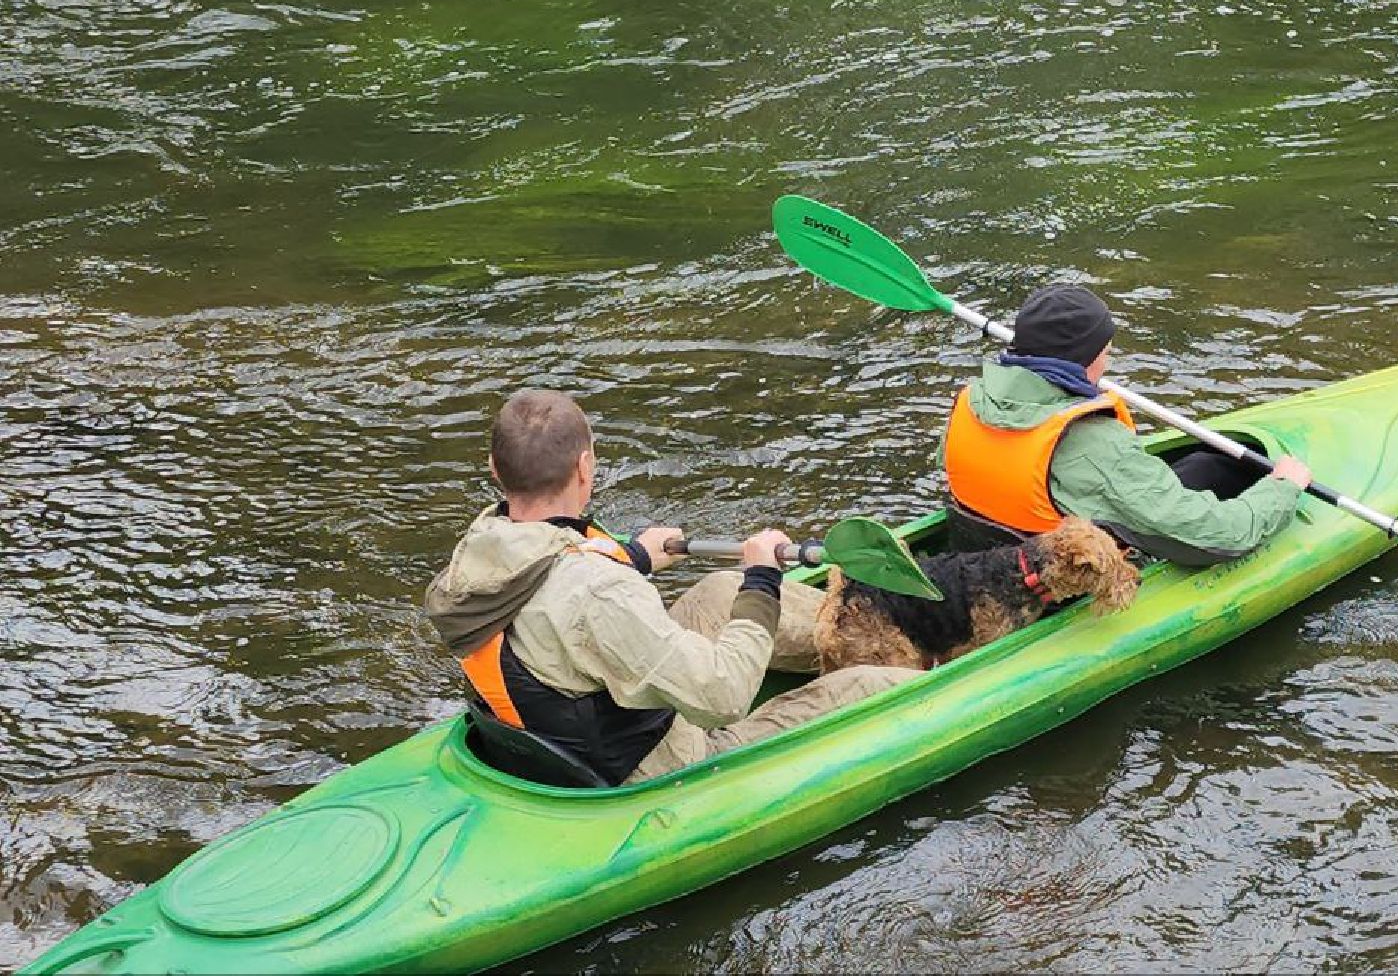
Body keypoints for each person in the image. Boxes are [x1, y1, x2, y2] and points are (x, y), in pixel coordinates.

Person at [424, 389, 916, 786]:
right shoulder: (601, 591)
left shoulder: (482, 544)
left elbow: (553, 579)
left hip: (559, 720)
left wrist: (635, 556)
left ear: (494, 467)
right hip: (653, 764)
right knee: (871, 689)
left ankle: (890, 632)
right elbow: (723, 697)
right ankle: (913, 663)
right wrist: (764, 578)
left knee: (722, 590)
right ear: (585, 468)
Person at [942, 284, 1312, 565]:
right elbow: (1224, 537)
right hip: (1061, 584)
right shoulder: (1092, 445)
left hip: (988, 557)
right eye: (1105, 353)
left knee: (1209, 466)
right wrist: (1282, 490)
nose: (1107, 364)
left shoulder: (972, 400)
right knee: (1214, 482)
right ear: (1084, 359)